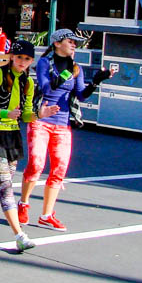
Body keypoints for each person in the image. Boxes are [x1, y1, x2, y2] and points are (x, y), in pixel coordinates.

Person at [0, 40, 58, 252]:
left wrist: (39, 114)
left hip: (11, 137)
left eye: (27, 59)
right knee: (6, 186)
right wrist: (7, 113)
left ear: (31, 61)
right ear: (11, 57)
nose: (22, 62)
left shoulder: (28, 82)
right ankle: (19, 235)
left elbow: (25, 114)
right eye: (19, 57)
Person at [18, 29, 114, 231]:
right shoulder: (46, 63)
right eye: (70, 41)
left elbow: (81, 95)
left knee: (59, 168)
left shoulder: (76, 68)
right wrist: (64, 74)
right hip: (41, 120)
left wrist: (97, 81)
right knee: (36, 164)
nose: (74, 45)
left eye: (75, 42)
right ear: (57, 43)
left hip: (62, 124)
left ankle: (46, 215)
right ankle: (23, 203)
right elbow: (46, 87)